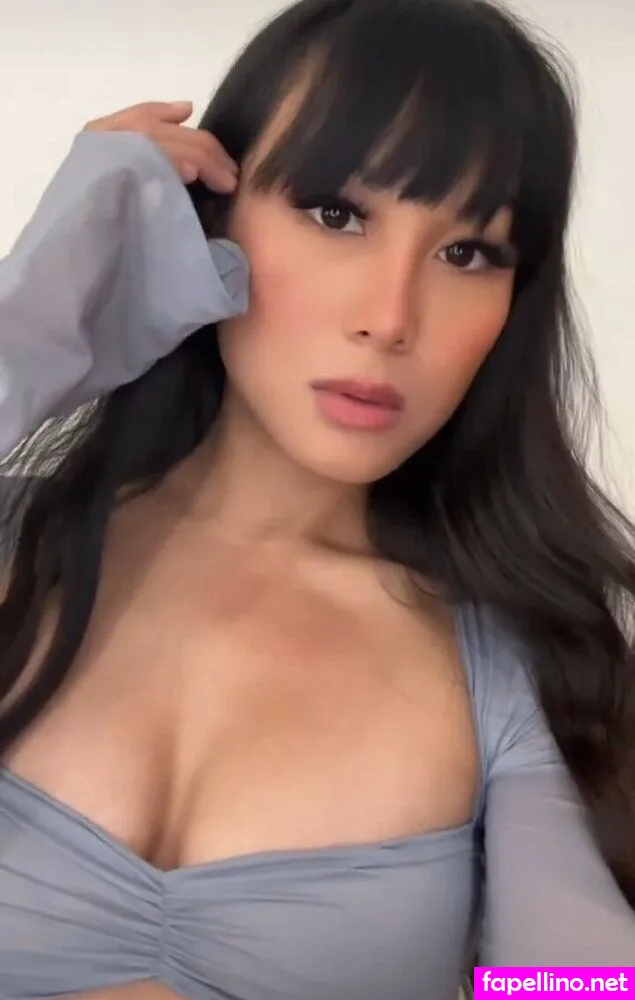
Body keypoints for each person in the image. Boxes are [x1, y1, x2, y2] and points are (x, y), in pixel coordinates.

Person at [1, 0, 634, 998]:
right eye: (337, 214)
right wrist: (21, 342)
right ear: (211, 219)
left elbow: (574, 985)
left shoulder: (522, 668)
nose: (389, 318)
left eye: (467, 253)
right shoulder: (17, 538)